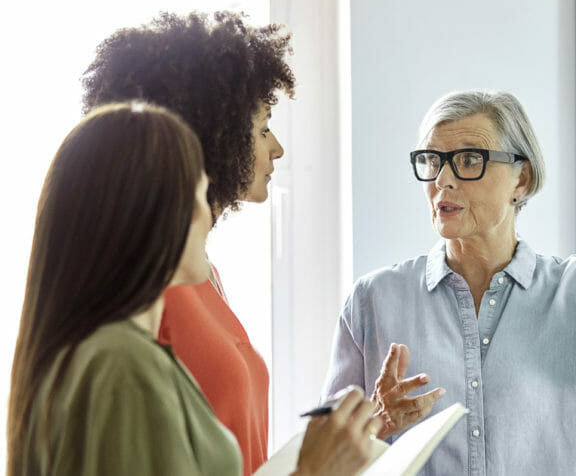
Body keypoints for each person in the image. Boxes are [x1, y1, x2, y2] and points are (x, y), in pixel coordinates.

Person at [322, 90, 576, 475]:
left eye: (468, 159)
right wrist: (374, 425)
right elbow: (320, 463)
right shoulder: (372, 301)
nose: (443, 179)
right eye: (432, 160)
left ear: (522, 179)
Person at [6, 102, 382, 475]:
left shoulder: (107, 356)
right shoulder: (121, 364)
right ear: (151, 210)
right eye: (198, 194)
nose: (207, 215)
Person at [81, 11, 292, 475]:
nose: (277, 148)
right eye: (262, 128)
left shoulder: (204, 273)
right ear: (210, 141)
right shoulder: (143, 295)